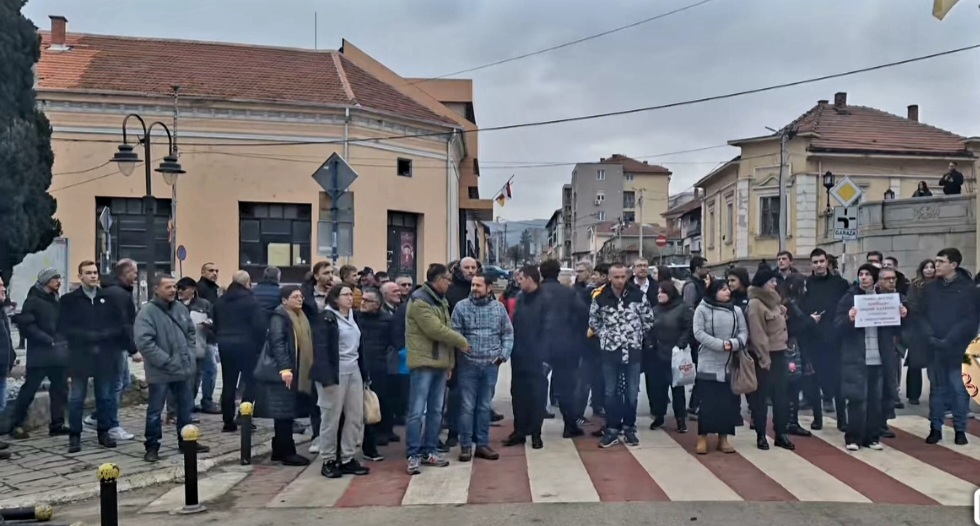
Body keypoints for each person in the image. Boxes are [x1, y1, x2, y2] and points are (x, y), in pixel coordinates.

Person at [135, 274, 210, 462]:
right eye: (167, 287)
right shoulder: (147, 313)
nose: (172, 290)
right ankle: (152, 446)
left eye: (174, 287)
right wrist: (166, 360)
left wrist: (189, 353)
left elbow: (190, 332)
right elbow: (144, 342)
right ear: (156, 289)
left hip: (183, 370)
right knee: (155, 411)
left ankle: (186, 442)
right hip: (160, 371)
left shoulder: (180, 309)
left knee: (186, 409)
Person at [59, 261, 130, 453]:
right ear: (80, 276)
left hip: (104, 356)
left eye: (95, 272)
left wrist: (128, 347)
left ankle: (103, 432)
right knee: (77, 399)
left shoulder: (108, 298)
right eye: (88, 273)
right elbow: (63, 328)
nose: (93, 276)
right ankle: (75, 435)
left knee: (105, 397)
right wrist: (85, 336)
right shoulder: (69, 300)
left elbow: (120, 325)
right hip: (80, 356)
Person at [404, 264, 469, 474]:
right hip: (424, 363)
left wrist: (450, 363)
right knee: (417, 411)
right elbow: (436, 330)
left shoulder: (440, 300)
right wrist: (461, 341)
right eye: (448, 280)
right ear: (438, 279)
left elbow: (446, 329)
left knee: (435, 411)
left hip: (440, 363)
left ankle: (429, 449)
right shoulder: (420, 299)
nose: (450, 283)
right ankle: (413, 454)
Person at [835, 263, 906, 451]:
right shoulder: (850, 298)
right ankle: (853, 437)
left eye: (868, 274)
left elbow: (897, 329)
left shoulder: (886, 300)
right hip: (857, 356)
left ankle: (872, 437)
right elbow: (838, 325)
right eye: (861, 274)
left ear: (875, 279)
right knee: (857, 399)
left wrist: (902, 315)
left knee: (877, 399)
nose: (864, 277)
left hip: (879, 357)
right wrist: (848, 319)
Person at [915, 248, 977, 446]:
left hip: (958, 348)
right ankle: (935, 428)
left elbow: (969, 320)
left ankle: (960, 429)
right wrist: (930, 335)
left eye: (941, 261)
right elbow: (920, 314)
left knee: (960, 390)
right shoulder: (930, 288)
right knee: (937, 390)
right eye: (936, 261)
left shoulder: (967, 289)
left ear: (954, 265)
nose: (937, 265)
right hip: (935, 347)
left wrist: (949, 339)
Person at [589, 263, 653, 448]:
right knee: (610, 392)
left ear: (627, 277)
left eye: (622, 276)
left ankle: (629, 427)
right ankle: (612, 428)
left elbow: (648, 320)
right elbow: (594, 321)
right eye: (615, 277)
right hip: (610, 351)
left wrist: (636, 336)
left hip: (632, 351)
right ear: (609, 277)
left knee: (632, 392)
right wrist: (606, 336)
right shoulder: (601, 298)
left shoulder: (638, 296)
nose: (619, 280)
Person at [451, 271, 513, 461]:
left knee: (485, 406)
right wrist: (463, 348)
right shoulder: (461, 307)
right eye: (472, 285)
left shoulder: (498, 308)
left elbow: (508, 333)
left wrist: (502, 355)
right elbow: (454, 333)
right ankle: (466, 446)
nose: (474, 289)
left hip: (490, 366)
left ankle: (483, 445)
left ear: (488, 288)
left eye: (478, 285)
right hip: (468, 365)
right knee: (467, 407)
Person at [254, 285, 318, 466]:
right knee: (283, 412)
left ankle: (279, 449)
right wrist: (285, 369)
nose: (300, 299)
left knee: (285, 412)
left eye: (301, 296)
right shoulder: (280, 316)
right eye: (295, 296)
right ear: (284, 300)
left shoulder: (300, 315)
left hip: (295, 370)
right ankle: (287, 452)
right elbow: (278, 343)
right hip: (282, 373)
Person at [9, 269, 69, 439]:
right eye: (55, 278)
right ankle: (16, 424)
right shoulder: (33, 300)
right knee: (29, 389)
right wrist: (47, 339)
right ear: (45, 281)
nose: (58, 281)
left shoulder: (56, 300)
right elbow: (27, 327)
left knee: (60, 389)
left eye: (59, 277)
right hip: (40, 355)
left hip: (58, 354)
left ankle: (57, 424)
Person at [318, 284, 371, 477]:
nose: (350, 298)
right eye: (346, 294)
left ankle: (348, 457)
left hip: (354, 369)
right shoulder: (326, 318)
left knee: (355, 416)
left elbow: (360, 346)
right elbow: (321, 349)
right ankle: (329, 459)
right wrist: (326, 378)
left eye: (352, 294)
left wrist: (365, 373)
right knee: (331, 416)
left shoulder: (354, 316)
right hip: (335, 371)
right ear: (335, 298)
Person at [692, 279, 748, 455]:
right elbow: (698, 333)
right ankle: (702, 437)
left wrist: (735, 343)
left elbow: (744, 332)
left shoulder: (736, 310)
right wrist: (720, 345)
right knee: (708, 403)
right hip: (708, 362)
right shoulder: (702, 309)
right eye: (723, 289)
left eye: (728, 289)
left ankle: (723, 438)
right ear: (713, 291)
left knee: (727, 404)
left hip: (729, 363)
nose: (727, 292)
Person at [746, 267, 795, 451]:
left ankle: (781, 433)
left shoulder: (774, 302)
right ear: (763, 284)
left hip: (780, 353)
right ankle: (761, 435)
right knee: (761, 399)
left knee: (781, 397)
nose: (775, 284)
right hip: (764, 357)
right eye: (771, 282)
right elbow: (758, 335)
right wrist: (764, 359)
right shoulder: (755, 304)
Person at [538, 259, 588, 438]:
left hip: (540, 345)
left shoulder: (535, 292)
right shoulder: (569, 293)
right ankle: (570, 425)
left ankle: (533, 427)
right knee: (567, 387)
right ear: (558, 272)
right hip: (566, 345)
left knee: (537, 384)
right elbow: (583, 315)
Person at [212, 270, 266, 431]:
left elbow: (215, 322)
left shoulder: (220, 301)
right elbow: (259, 326)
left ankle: (228, 421)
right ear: (247, 283)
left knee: (228, 382)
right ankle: (244, 415)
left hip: (225, 344)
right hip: (247, 345)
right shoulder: (251, 301)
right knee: (251, 381)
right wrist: (259, 345)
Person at [506, 265, 549, 449]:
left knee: (536, 397)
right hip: (519, 356)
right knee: (518, 395)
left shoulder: (546, 300)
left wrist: (547, 358)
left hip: (538, 358)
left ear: (531, 279)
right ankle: (519, 431)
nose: (518, 281)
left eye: (521, 278)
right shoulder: (520, 297)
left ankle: (536, 433)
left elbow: (551, 330)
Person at [646, 281, 691, 433]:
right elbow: (649, 330)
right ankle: (659, 416)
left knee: (677, 388)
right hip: (658, 354)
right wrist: (650, 344)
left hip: (676, 353)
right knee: (658, 388)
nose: (660, 295)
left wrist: (680, 344)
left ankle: (680, 419)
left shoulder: (681, 308)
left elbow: (688, 328)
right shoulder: (655, 310)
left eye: (663, 292)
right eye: (658, 292)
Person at [0, 275, 15, 460]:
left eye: (3, 285)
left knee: (1, 404)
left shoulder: (2, 311)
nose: (3, 288)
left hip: (2, 367)